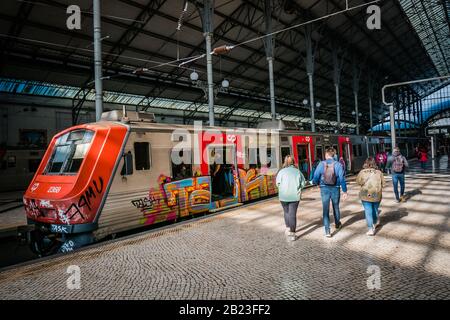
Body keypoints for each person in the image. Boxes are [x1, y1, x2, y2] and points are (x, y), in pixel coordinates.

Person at [312, 147, 348, 237]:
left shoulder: (321, 164)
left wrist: (316, 183)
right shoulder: (338, 165)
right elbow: (342, 179)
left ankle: (327, 231)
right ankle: (337, 224)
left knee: (325, 209)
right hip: (335, 188)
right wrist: (345, 191)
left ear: (326, 155)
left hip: (324, 189)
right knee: (336, 207)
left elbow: (315, 177)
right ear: (334, 155)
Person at [276, 155, 306, 241]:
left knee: (286, 212)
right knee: (292, 214)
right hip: (294, 196)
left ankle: (288, 228)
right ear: (293, 161)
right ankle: (292, 234)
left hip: (283, 196)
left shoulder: (281, 172)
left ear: (285, 162)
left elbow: (277, 184)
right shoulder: (297, 172)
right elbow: (303, 184)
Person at [356, 157, 386, 236]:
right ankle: (375, 223)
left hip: (365, 195)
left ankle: (370, 229)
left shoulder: (362, 172)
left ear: (366, 163)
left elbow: (358, 182)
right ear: (374, 163)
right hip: (376, 194)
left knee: (368, 211)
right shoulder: (379, 172)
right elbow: (384, 184)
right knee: (375, 209)